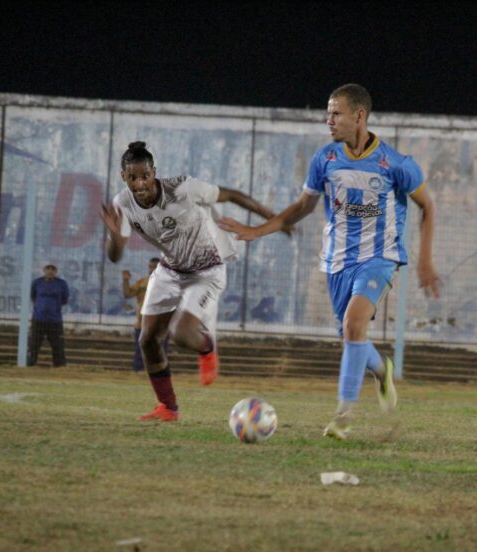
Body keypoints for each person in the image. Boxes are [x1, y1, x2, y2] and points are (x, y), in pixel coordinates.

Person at [219, 83, 442, 440]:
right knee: (352, 335)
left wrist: (425, 262)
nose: (329, 120)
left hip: (379, 259)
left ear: (359, 115)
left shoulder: (395, 164)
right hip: (337, 262)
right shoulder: (325, 159)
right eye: (327, 113)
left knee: (355, 325)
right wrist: (257, 230)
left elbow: (428, 206)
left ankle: (343, 416)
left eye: (336, 113)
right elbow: (302, 207)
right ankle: (381, 369)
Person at [100, 141, 285, 422]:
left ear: (154, 173)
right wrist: (114, 237)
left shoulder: (183, 188)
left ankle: (207, 346)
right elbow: (115, 256)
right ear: (123, 176)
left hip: (206, 270)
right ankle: (168, 408)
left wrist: (275, 220)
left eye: (145, 176)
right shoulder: (122, 204)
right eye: (133, 177)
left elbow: (232, 195)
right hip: (169, 270)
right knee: (148, 340)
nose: (140, 183)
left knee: (181, 334)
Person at [122, 257, 170, 372]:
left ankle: (160, 373)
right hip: (142, 324)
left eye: (155, 267)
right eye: (150, 267)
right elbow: (127, 294)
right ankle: (139, 371)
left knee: (160, 351)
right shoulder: (142, 282)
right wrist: (125, 281)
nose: (152, 269)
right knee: (140, 350)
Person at [27, 263, 70, 367]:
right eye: (48, 269)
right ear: (44, 270)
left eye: (53, 269)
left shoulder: (62, 284)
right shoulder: (37, 283)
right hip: (39, 318)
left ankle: (59, 365)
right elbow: (33, 297)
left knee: (58, 344)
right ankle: (30, 363)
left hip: (55, 320)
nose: (50, 271)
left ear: (56, 271)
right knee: (34, 343)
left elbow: (65, 299)